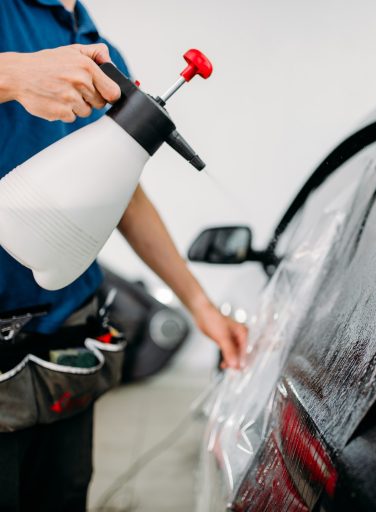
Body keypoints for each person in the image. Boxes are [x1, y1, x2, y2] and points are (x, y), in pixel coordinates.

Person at [0, 1, 247, 510]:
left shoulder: (96, 44)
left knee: (63, 496)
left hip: (68, 345)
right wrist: (16, 73)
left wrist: (200, 306)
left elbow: (123, 196)